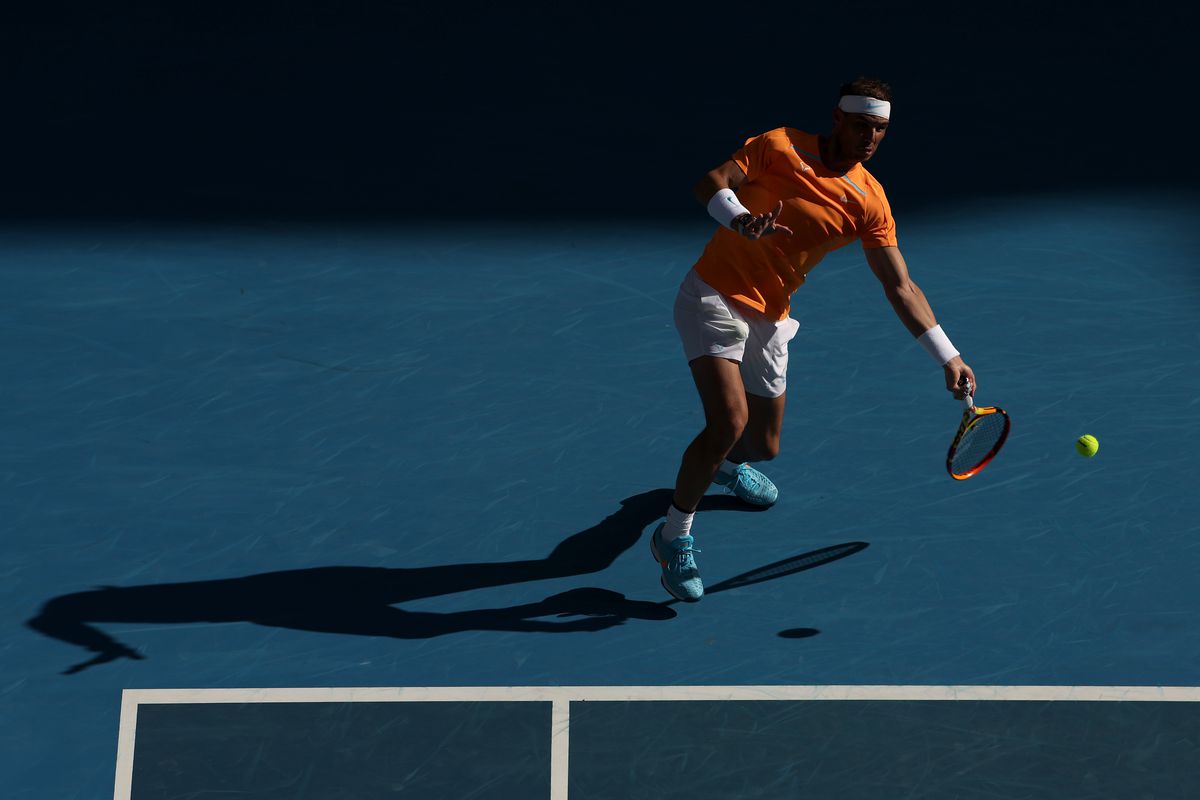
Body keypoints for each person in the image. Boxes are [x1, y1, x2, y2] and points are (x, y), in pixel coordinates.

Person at [652, 77, 977, 602]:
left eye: (881, 130)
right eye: (863, 126)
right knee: (728, 421)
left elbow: (899, 284)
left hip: (771, 316)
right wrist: (741, 221)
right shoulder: (780, 145)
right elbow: (708, 182)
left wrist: (948, 355)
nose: (871, 138)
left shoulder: (870, 200)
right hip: (713, 295)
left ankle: (724, 466)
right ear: (838, 118)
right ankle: (673, 536)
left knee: (764, 446)